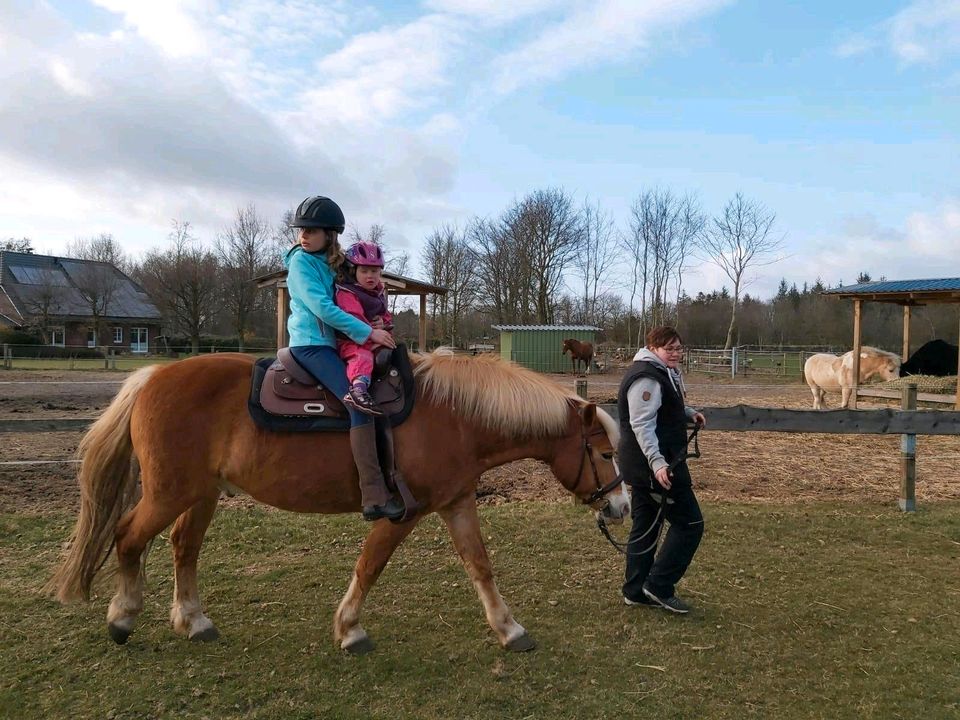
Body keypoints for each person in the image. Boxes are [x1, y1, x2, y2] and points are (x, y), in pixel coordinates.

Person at [283, 195, 403, 522]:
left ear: (330, 235)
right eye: (301, 230)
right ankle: (374, 495)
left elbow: (358, 293)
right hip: (312, 345)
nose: (304, 235)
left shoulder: (332, 263)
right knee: (357, 402)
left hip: (335, 343)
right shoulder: (301, 263)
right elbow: (323, 307)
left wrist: (376, 321)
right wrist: (369, 333)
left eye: (313, 230)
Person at [618, 326, 706, 613]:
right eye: (670, 349)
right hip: (660, 468)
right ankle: (658, 586)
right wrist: (657, 463)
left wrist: (687, 412)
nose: (676, 354)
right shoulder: (647, 378)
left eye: (679, 348)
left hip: (648, 467)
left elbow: (662, 408)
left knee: (645, 526)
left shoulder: (658, 372)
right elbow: (641, 424)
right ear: (653, 348)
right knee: (690, 524)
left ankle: (635, 590)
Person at [335, 241, 393, 416]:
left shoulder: (378, 292)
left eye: (374, 271)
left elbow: (386, 315)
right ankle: (358, 388)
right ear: (353, 271)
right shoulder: (347, 293)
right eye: (364, 271)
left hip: (372, 339)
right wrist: (372, 333)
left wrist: (383, 323)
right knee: (362, 357)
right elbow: (354, 319)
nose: (370, 276)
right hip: (351, 341)